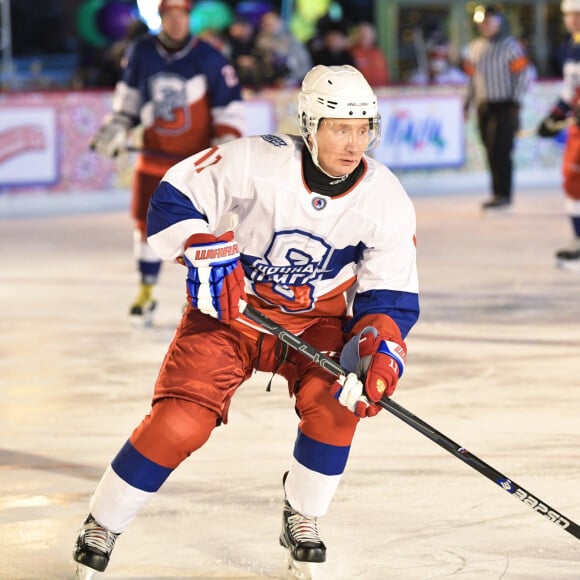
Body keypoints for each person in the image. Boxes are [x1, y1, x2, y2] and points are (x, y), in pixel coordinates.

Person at [72, 64, 419, 579]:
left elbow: (388, 299)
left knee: (339, 403)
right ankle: (103, 521)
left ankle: (302, 516)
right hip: (233, 313)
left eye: (363, 127)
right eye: (340, 127)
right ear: (309, 124)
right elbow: (173, 198)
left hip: (315, 323)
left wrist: (379, 351)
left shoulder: (385, 196)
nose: (354, 142)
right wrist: (200, 244)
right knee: (181, 419)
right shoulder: (258, 160)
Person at [90, 0, 245, 324]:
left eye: (182, 14)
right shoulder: (141, 53)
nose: (176, 21)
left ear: (190, 16)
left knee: (205, 232)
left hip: (197, 167)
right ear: (160, 16)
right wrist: (116, 128)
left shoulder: (210, 57)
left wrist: (221, 148)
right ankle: (146, 291)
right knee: (146, 228)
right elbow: (128, 101)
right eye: (169, 14)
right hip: (153, 158)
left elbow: (229, 110)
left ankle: (202, 298)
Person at [463, 4, 531, 211]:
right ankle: (496, 193)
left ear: (498, 22)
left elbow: (522, 76)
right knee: (490, 148)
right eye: (482, 22)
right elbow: (473, 79)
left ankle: (504, 194)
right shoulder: (475, 47)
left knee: (501, 148)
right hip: (484, 105)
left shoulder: (511, 46)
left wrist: (515, 102)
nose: (485, 25)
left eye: (489, 21)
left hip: (505, 105)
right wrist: (468, 102)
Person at [537, 0, 580, 272]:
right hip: (576, 127)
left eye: (578, 15)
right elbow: (570, 90)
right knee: (572, 180)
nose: (573, 20)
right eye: (569, 16)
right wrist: (555, 114)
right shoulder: (571, 47)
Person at [348, 22, 389, 86]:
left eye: (367, 33)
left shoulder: (377, 53)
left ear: (373, 36)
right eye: (361, 33)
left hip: (378, 89)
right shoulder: (351, 52)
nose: (364, 36)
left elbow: (383, 75)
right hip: (358, 90)